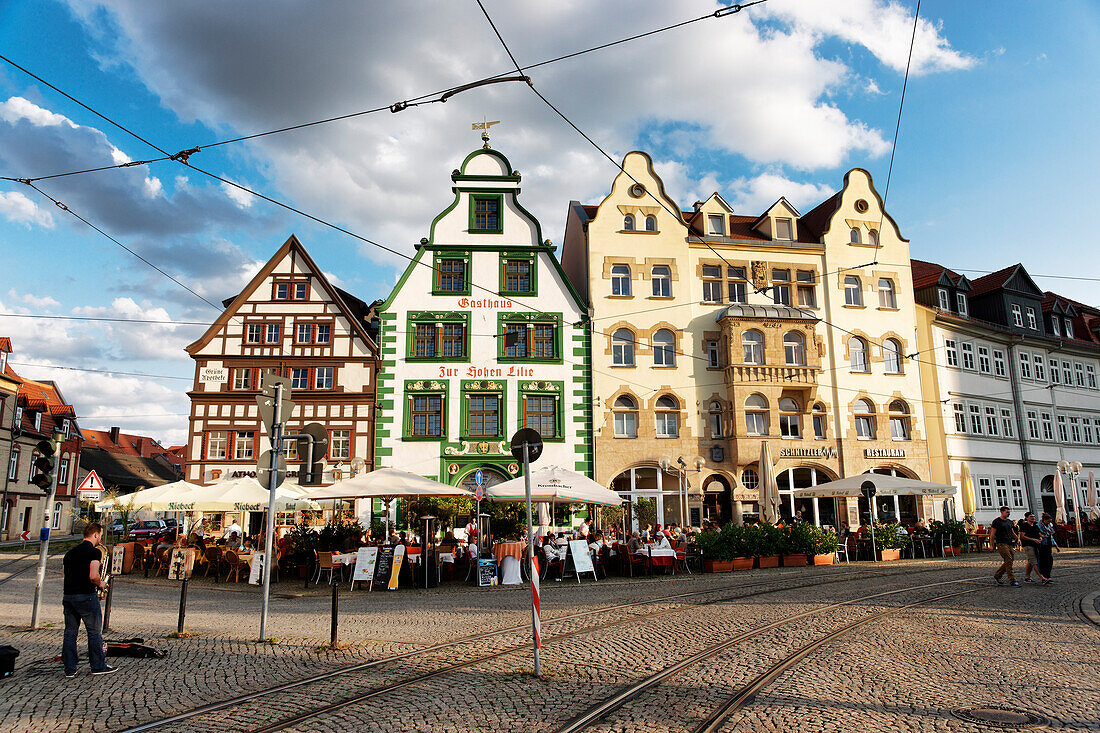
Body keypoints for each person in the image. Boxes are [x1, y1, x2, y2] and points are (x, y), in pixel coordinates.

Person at [61, 522, 115, 677]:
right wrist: (101, 584)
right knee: (94, 632)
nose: (101, 538)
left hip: (69, 596)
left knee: (70, 632)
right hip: (86, 596)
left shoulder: (69, 553)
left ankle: (70, 669)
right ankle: (98, 666)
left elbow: (65, 574)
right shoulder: (94, 552)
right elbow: (93, 576)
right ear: (96, 534)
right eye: (101, 535)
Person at [989, 506, 1020, 586]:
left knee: (1009, 560)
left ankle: (998, 575)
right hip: (1001, 543)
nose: (1008, 513)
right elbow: (992, 534)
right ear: (1002, 512)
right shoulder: (997, 521)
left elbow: (1012, 532)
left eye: (1009, 512)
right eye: (1007, 512)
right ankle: (1012, 579)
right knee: (1009, 559)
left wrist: (1017, 538)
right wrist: (991, 545)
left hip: (1009, 543)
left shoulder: (1009, 522)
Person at [1017, 512, 1043, 583]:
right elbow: (1022, 536)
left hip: (1035, 545)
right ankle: (1042, 577)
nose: (1033, 518)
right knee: (1034, 561)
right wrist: (1033, 539)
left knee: (1030, 561)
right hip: (1027, 545)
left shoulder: (1035, 525)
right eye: (1031, 517)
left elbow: (1039, 534)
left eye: (1034, 517)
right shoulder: (1024, 525)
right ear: (1027, 518)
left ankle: (1027, 577)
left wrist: (1040, 538)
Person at [1037, 512, 1058, 584]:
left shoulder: (1049, 526)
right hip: (1042, 545)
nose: (1049, 523)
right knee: (1043, 561)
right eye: (1048, 521)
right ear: (1044, 520)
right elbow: (1037, 533)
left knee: (1049, 560)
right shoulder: (1039, 526)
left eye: (1050, 521)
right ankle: (1044, 576)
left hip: (1048, 543)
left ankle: (1048, 575)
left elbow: (1051, 536)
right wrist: (1040, 535)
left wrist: (1056, 546)